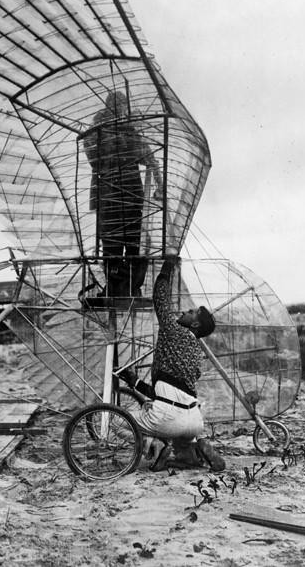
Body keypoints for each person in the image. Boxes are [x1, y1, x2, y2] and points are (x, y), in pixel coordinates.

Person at [117, 254, 226, 471]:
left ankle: (153, 445)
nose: (185, 311)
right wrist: (135, 382)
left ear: (194, 324)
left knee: (116, 421)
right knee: (165, 415)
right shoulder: (196, 352)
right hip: (194, 420)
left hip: (169, 418)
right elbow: (168, 392)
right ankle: (192, 452)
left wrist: (167, 267)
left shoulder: (175, 331)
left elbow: (161, 300)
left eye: (190, 312)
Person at [83, 91, 161, 297]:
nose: (123, 110)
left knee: (133, 244)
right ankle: (116, 287)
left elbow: (150, 159)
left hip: (129, 194)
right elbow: (94, 156)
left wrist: (160, 184)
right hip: (109, 193)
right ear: (112, 107)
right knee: (112, 244)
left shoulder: (129, 131)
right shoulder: (98, 130)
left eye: (124, 106)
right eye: (120, 106)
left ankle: (131, 288)